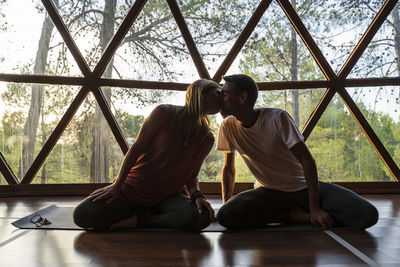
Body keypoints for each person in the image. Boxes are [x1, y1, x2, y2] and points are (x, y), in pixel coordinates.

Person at [216, 74, 379, 230]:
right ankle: (296, 216)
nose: (220, 100)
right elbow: (229, 169)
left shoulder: (277, 118)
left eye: (224, 94)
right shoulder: (227, 126)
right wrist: (225, 202)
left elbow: (307, 160)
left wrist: (314, 207)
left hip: (303, 188)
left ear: (242, 97)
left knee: (368, 215)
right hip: (268, 193)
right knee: (226, 215)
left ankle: (304, 214)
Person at [73, 79, 222, 231]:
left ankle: (140, 220)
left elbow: (192, 176)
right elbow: (136, 148)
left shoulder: (207, 138)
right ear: (202, 91)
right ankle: (144, 213)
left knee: (202, 217)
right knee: (82, 215)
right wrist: (117, 184)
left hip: (168, 197)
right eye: (219, 92)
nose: (222, 97)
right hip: (135, 189)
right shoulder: (164, 113)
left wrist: (197, 196)